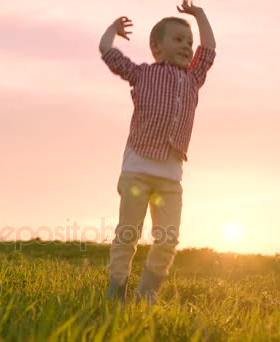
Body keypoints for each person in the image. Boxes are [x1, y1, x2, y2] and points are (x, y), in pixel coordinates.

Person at [99, 0, 217, 304]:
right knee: (128, 234)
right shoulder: (142, 73)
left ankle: (145, 294)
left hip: (170, 178)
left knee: (168, 240)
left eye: (189, 42)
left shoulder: (194, 78)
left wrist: (200, 15)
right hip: (137, 170)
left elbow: (209, 50)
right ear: (156, 46)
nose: (187, 47)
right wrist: (112, 30)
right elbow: (108, 54)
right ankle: (116, 292)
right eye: (178, 40)